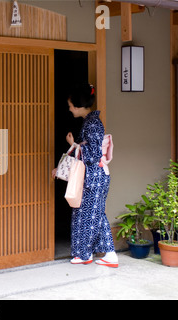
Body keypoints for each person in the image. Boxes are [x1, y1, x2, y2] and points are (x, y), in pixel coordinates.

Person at [52, 83, 118, 268]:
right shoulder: (91, 123)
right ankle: (104, 254)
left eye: (71, 105)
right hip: (95, 176)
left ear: (79, 105)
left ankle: (86, 254)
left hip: (94, 176)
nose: (70, 109)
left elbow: (93, 154)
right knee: (94, 214)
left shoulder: (93, 124)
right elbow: (86, 152)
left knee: (87, 215)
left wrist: (73, 144)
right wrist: (63, 167)